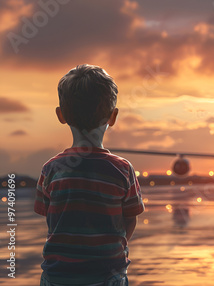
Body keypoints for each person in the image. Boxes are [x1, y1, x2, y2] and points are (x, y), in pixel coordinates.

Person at [34, 64, 145, 286]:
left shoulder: (51, 170)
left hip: (59, 275)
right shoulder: (123, 170)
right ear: (113, 116)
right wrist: (114, 245)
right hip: (107, 274)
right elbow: (130, 217)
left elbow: (50, 218)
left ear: (61, 115)